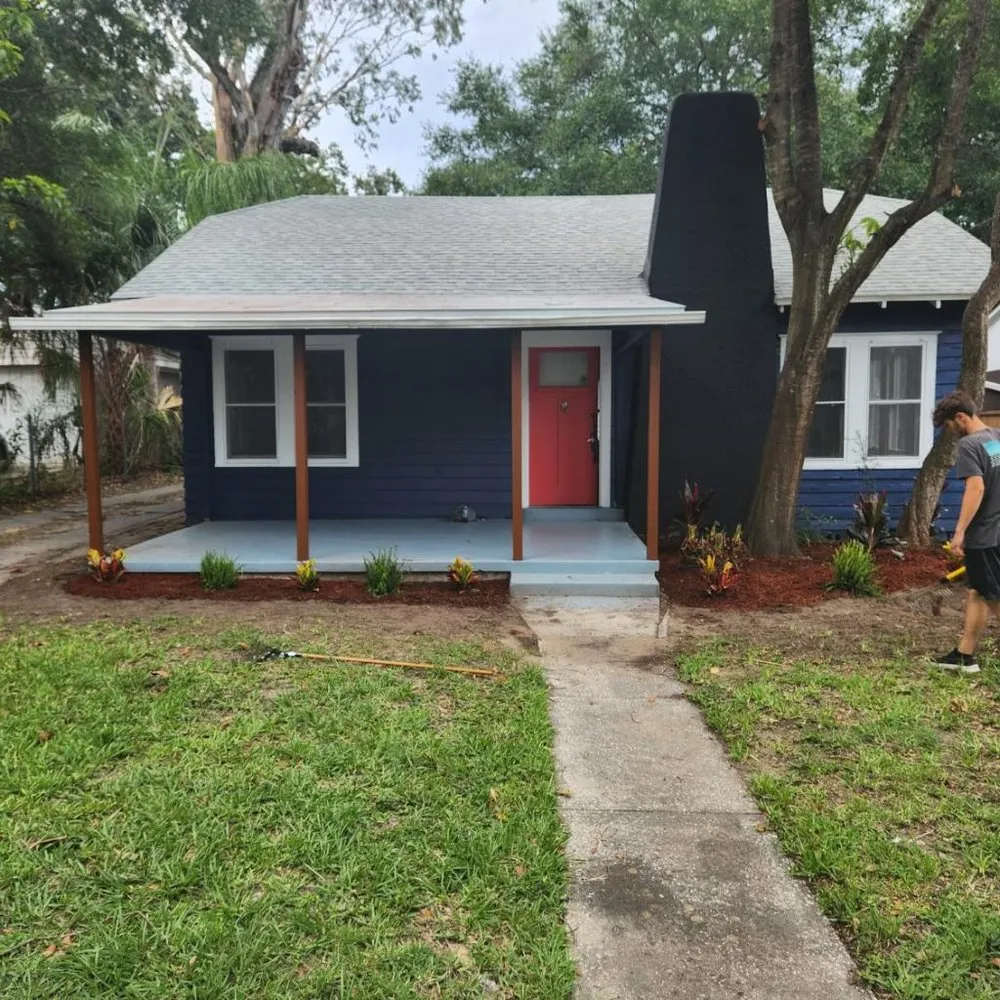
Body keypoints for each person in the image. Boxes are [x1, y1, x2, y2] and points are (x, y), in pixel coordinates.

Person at [932, 390, 1000, 673]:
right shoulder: (995, 438)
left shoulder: (969, 445)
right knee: (976, 591)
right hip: (996, 530)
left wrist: (959, 532)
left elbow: (976, 487)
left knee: (994, 596)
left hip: (985, 536)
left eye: (949, 426)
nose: (951, 433)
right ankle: (964, 655)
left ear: (960, 417)